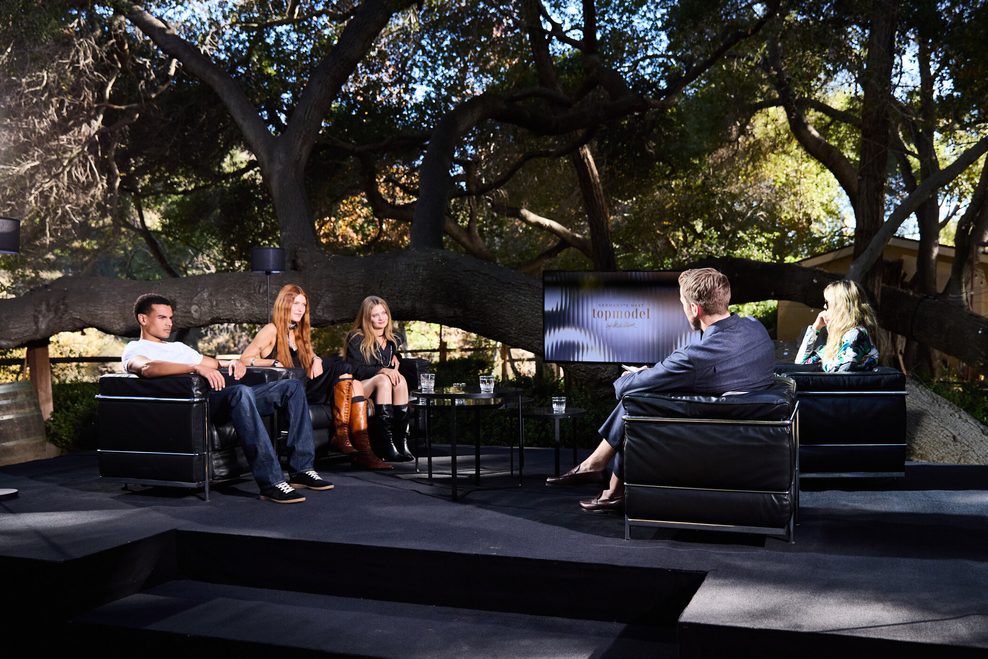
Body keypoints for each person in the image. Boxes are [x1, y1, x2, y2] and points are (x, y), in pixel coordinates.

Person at [545, 268, 777, 513]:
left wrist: (637, 376)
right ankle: (607, 480)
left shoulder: (694, 356)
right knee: (649, 393)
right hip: (753, 426)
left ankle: (598, 468)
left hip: (713, 429)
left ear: (695, 309)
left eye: (682, 303)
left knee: (639, 397)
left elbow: (625, 388)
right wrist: (659, 375)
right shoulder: (754, 327)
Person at [121, 293, 333, 504]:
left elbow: (213, 363)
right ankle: (271, 483)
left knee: (291, 387)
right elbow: (147, 369)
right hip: (197, 406)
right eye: (162, 318)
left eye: (170, 318)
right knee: (241, 392)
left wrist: (234, 362)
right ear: (143, 319)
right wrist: (195, 367)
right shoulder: (136, 349)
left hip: (222, 395)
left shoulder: (177, 347)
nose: (169, 323)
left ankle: (302, 470)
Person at [239, 284, 391, 470]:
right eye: (296, 303)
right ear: (284, 304)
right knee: (342, 367)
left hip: (306, 384)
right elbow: (245, 359)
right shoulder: (271, 330)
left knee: (345, 371)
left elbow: (311, 357)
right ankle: (345, 439)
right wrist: (271, 363)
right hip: (291, 391)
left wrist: (317, 359)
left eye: (303, 304)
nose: (300, 308)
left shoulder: (297, 331)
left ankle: (348, 441)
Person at [344, 295, 413, 463]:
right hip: (361, 386)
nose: (381, 318)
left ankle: (401, 442)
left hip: (385, 388)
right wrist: (383, 370)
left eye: (384, 313)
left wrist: (397, 357)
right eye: (375, 315)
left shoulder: (392, 340)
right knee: (383, 378)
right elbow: (357, 370)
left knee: (401, 380)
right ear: (367, 318)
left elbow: (389, 358)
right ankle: (386, 444)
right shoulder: (356, 338)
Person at [794, 279, 880, 372]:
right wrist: (815, 328)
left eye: (827, 302)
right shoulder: (839, 340)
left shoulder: (855, 334)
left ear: (841, 307)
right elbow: (801, 364)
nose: (824, 307)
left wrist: (825, 359)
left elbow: (842, 370)